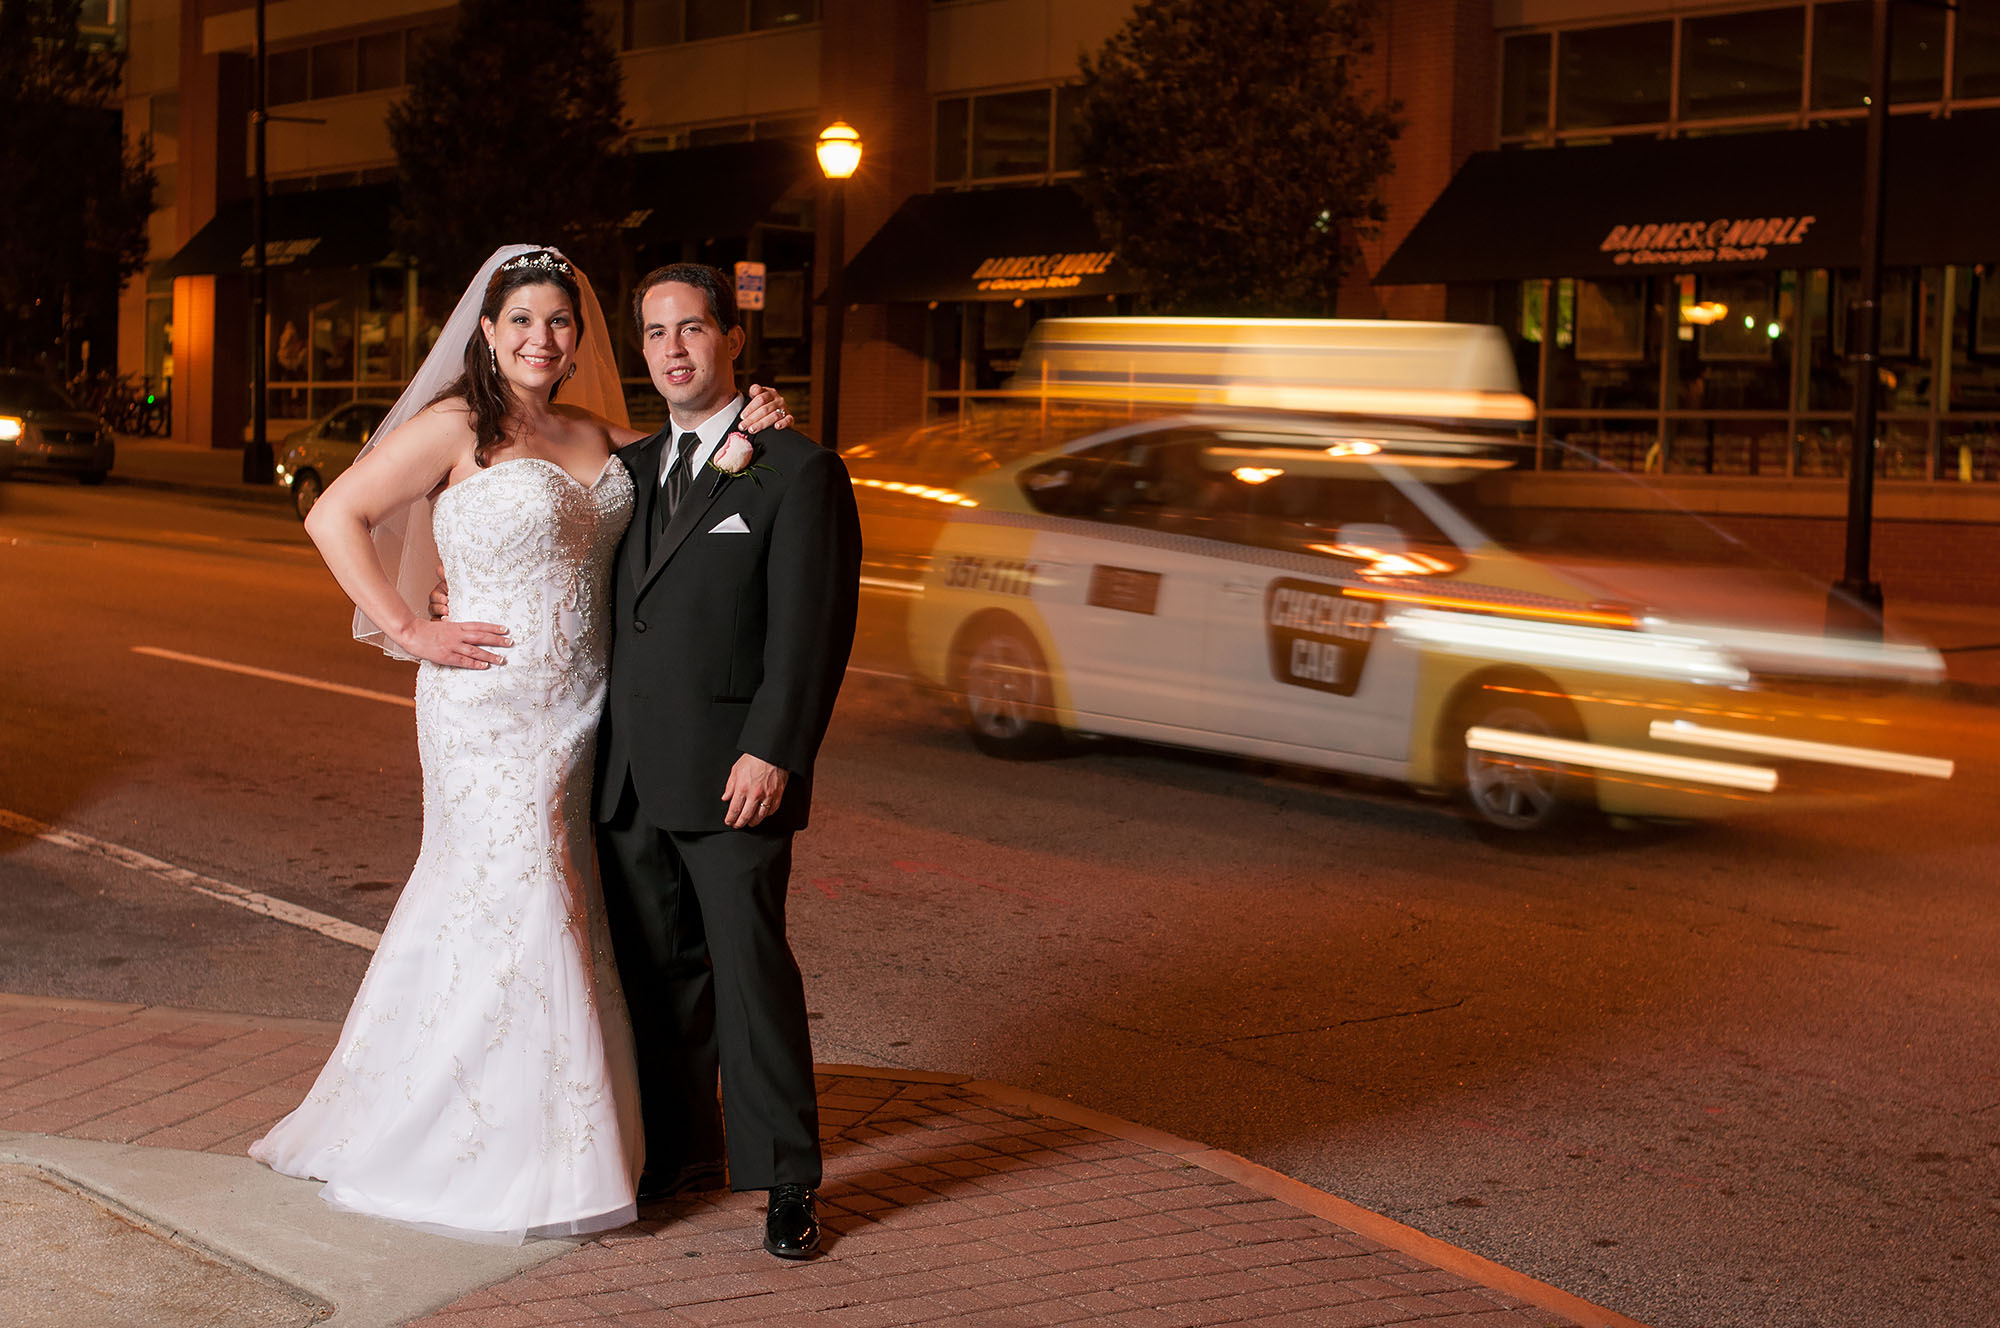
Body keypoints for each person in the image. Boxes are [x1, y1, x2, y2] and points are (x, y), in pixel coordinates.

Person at [246, 244, 791, 1242]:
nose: (543, 338)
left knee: (570, 904)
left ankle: (585, 1131)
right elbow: (338, 513)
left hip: (589, 708)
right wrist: (412, 627)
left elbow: (697, 478)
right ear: (487, 335)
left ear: (576, 337)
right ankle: (501, 1149)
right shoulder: (458, 425)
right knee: (518, 891)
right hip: (486, 705)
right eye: (522, 322)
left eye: (559, 322)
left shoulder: (601, 433)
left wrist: (752, 425)